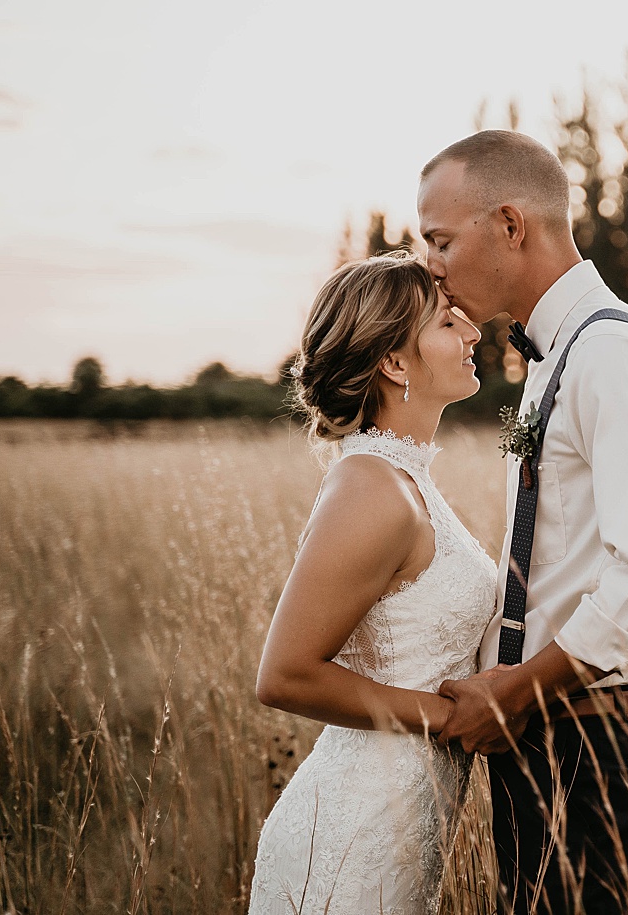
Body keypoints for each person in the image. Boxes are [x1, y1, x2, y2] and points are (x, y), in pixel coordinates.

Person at [418, 130, 628, 914]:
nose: (431, 265)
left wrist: (516, 690)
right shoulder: (554, 360)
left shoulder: (613, 354)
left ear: (511, 224)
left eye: (441, 239)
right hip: (551, 737)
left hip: (596, 747)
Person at [249, 252, 498, 914]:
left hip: (398, 835)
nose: (472, 332)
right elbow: (284, 674)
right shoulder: (371, 487)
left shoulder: (406, 478)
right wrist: (449, 716)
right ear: (393, 362)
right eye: (448, 321)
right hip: (354, 839)